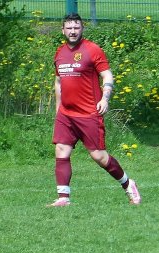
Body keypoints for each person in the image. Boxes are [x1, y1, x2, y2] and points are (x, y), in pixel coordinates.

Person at [49, 13, 140, 207]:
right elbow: (58, 82)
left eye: (76, 27)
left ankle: (128, 184)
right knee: (61, 150)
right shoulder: (59, 52)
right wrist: (58, 110)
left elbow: (107, 75)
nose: (73, 31)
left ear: (82, 29)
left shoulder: (92, 49)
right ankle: (63, 198)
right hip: (66, 114)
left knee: (99, 156)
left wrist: (105, 97)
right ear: (63, 30)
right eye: (69, 28)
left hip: (88, 113)